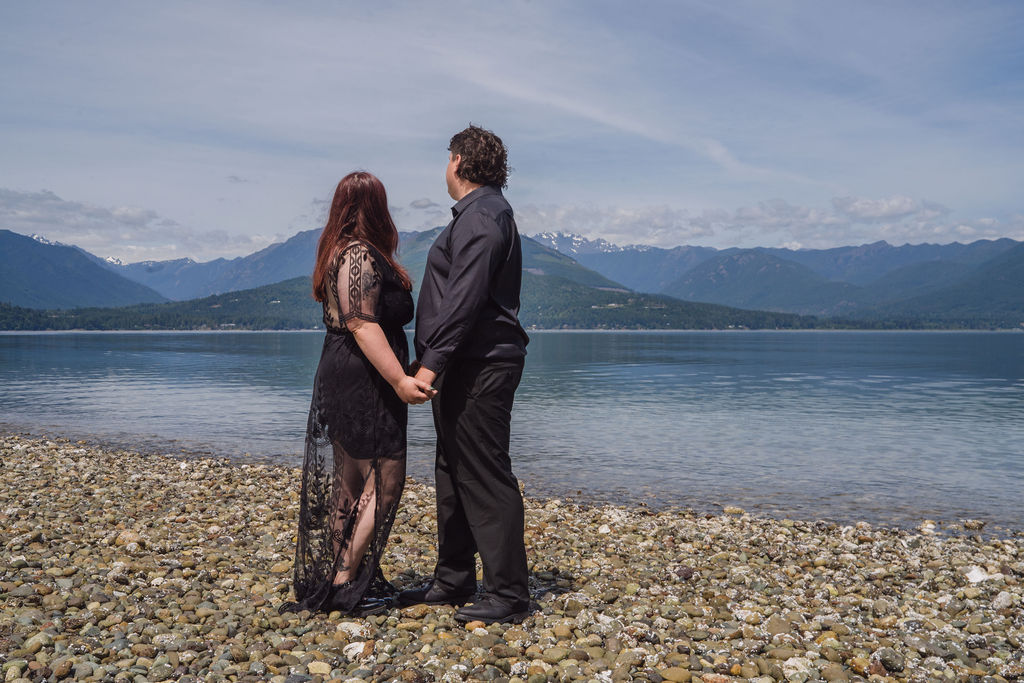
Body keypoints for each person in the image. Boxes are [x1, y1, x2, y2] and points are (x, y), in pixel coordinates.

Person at [399, 125, 533, 624]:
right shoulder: (483, 214)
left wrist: (429, 364)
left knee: (482, 471)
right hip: (466, 363)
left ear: (456, 161)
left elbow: (464, 299)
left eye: (446, 160)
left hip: (479, 364)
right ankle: (454, 578)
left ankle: (509, 594)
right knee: (453, 471)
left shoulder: (482, 217)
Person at [285, 171, 435, 616]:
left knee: (351, 476)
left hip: (353, 372)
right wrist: (399, 381)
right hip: (362, 378)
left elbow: (371, 327)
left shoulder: (345, 251)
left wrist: (399, 367)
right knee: (386, 476)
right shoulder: (357, 254)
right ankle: (346, 576)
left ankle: (338, 571)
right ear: (374, 207)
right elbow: (363, 325)